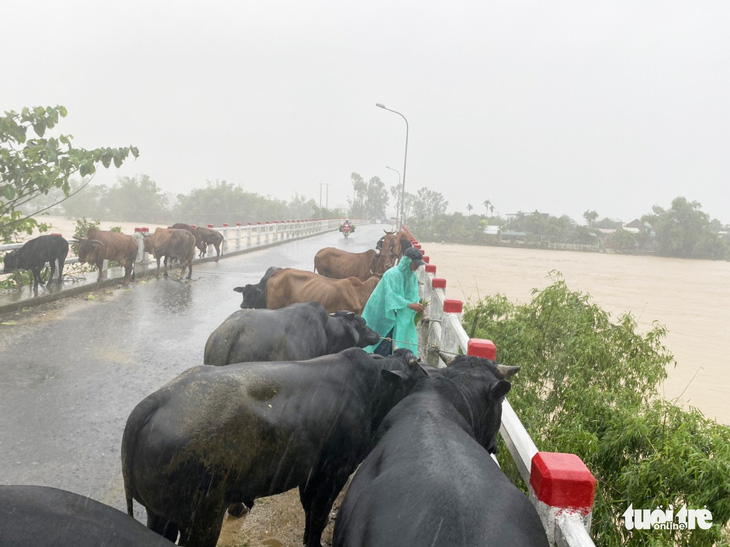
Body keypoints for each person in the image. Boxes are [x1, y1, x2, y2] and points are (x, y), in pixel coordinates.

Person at [361, 246, 426, 357]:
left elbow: (413, 295)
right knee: (381, 342)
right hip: (383, 312)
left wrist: (420, 308)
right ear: (407, 261)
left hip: (398, 313)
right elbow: (392, 297)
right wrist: (409, 305)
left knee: (395, 343)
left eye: (418, 265)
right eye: (415, 264)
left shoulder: (413, 277)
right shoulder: (392, 274)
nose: (416, 267)